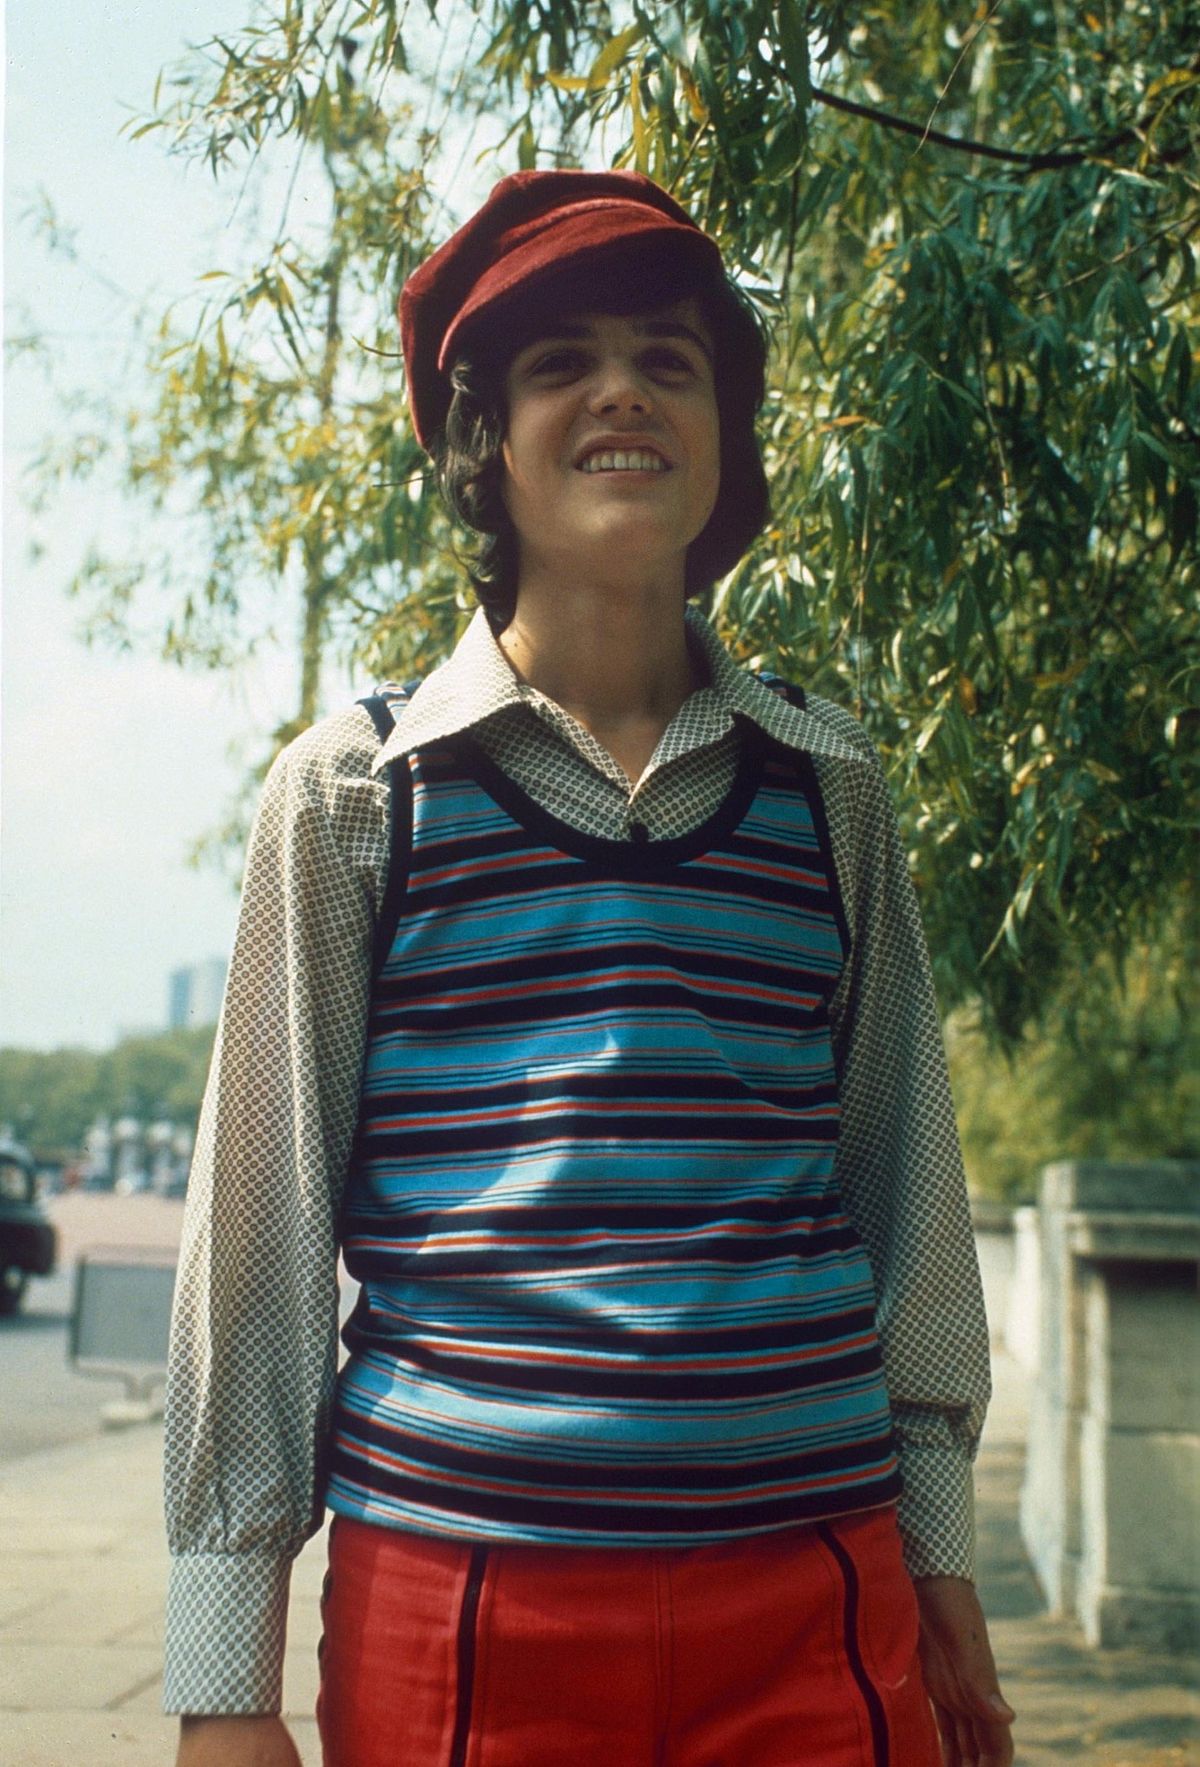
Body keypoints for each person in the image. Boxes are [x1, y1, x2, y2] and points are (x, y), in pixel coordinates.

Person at [165, 168, 1016, 1767]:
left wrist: (939, 1546)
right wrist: (226, 1681)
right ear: (481, 443)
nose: (622, 391)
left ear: (724, 437)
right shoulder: (356, 795)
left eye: (667, 360)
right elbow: (259, 1241)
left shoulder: (829, 783)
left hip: (819, 1588)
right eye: (562, 363)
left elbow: (903, 1183)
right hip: (464, 1607)